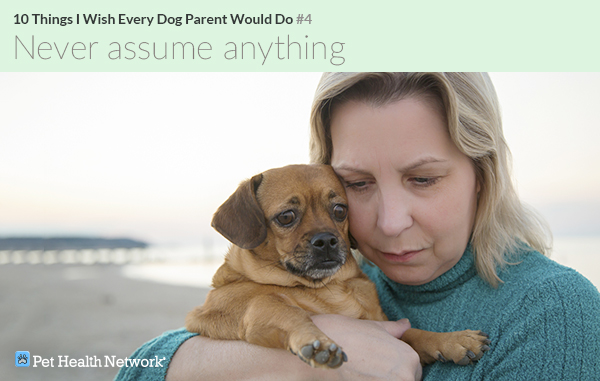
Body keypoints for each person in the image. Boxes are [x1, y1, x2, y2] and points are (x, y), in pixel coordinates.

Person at [115, 73, 600, 380]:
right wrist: (287, 361)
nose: (389, 223)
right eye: (359, 184)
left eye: (423, 179)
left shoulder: (553, 312)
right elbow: (137, 368)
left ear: (482, 175)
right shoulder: (350, 282)